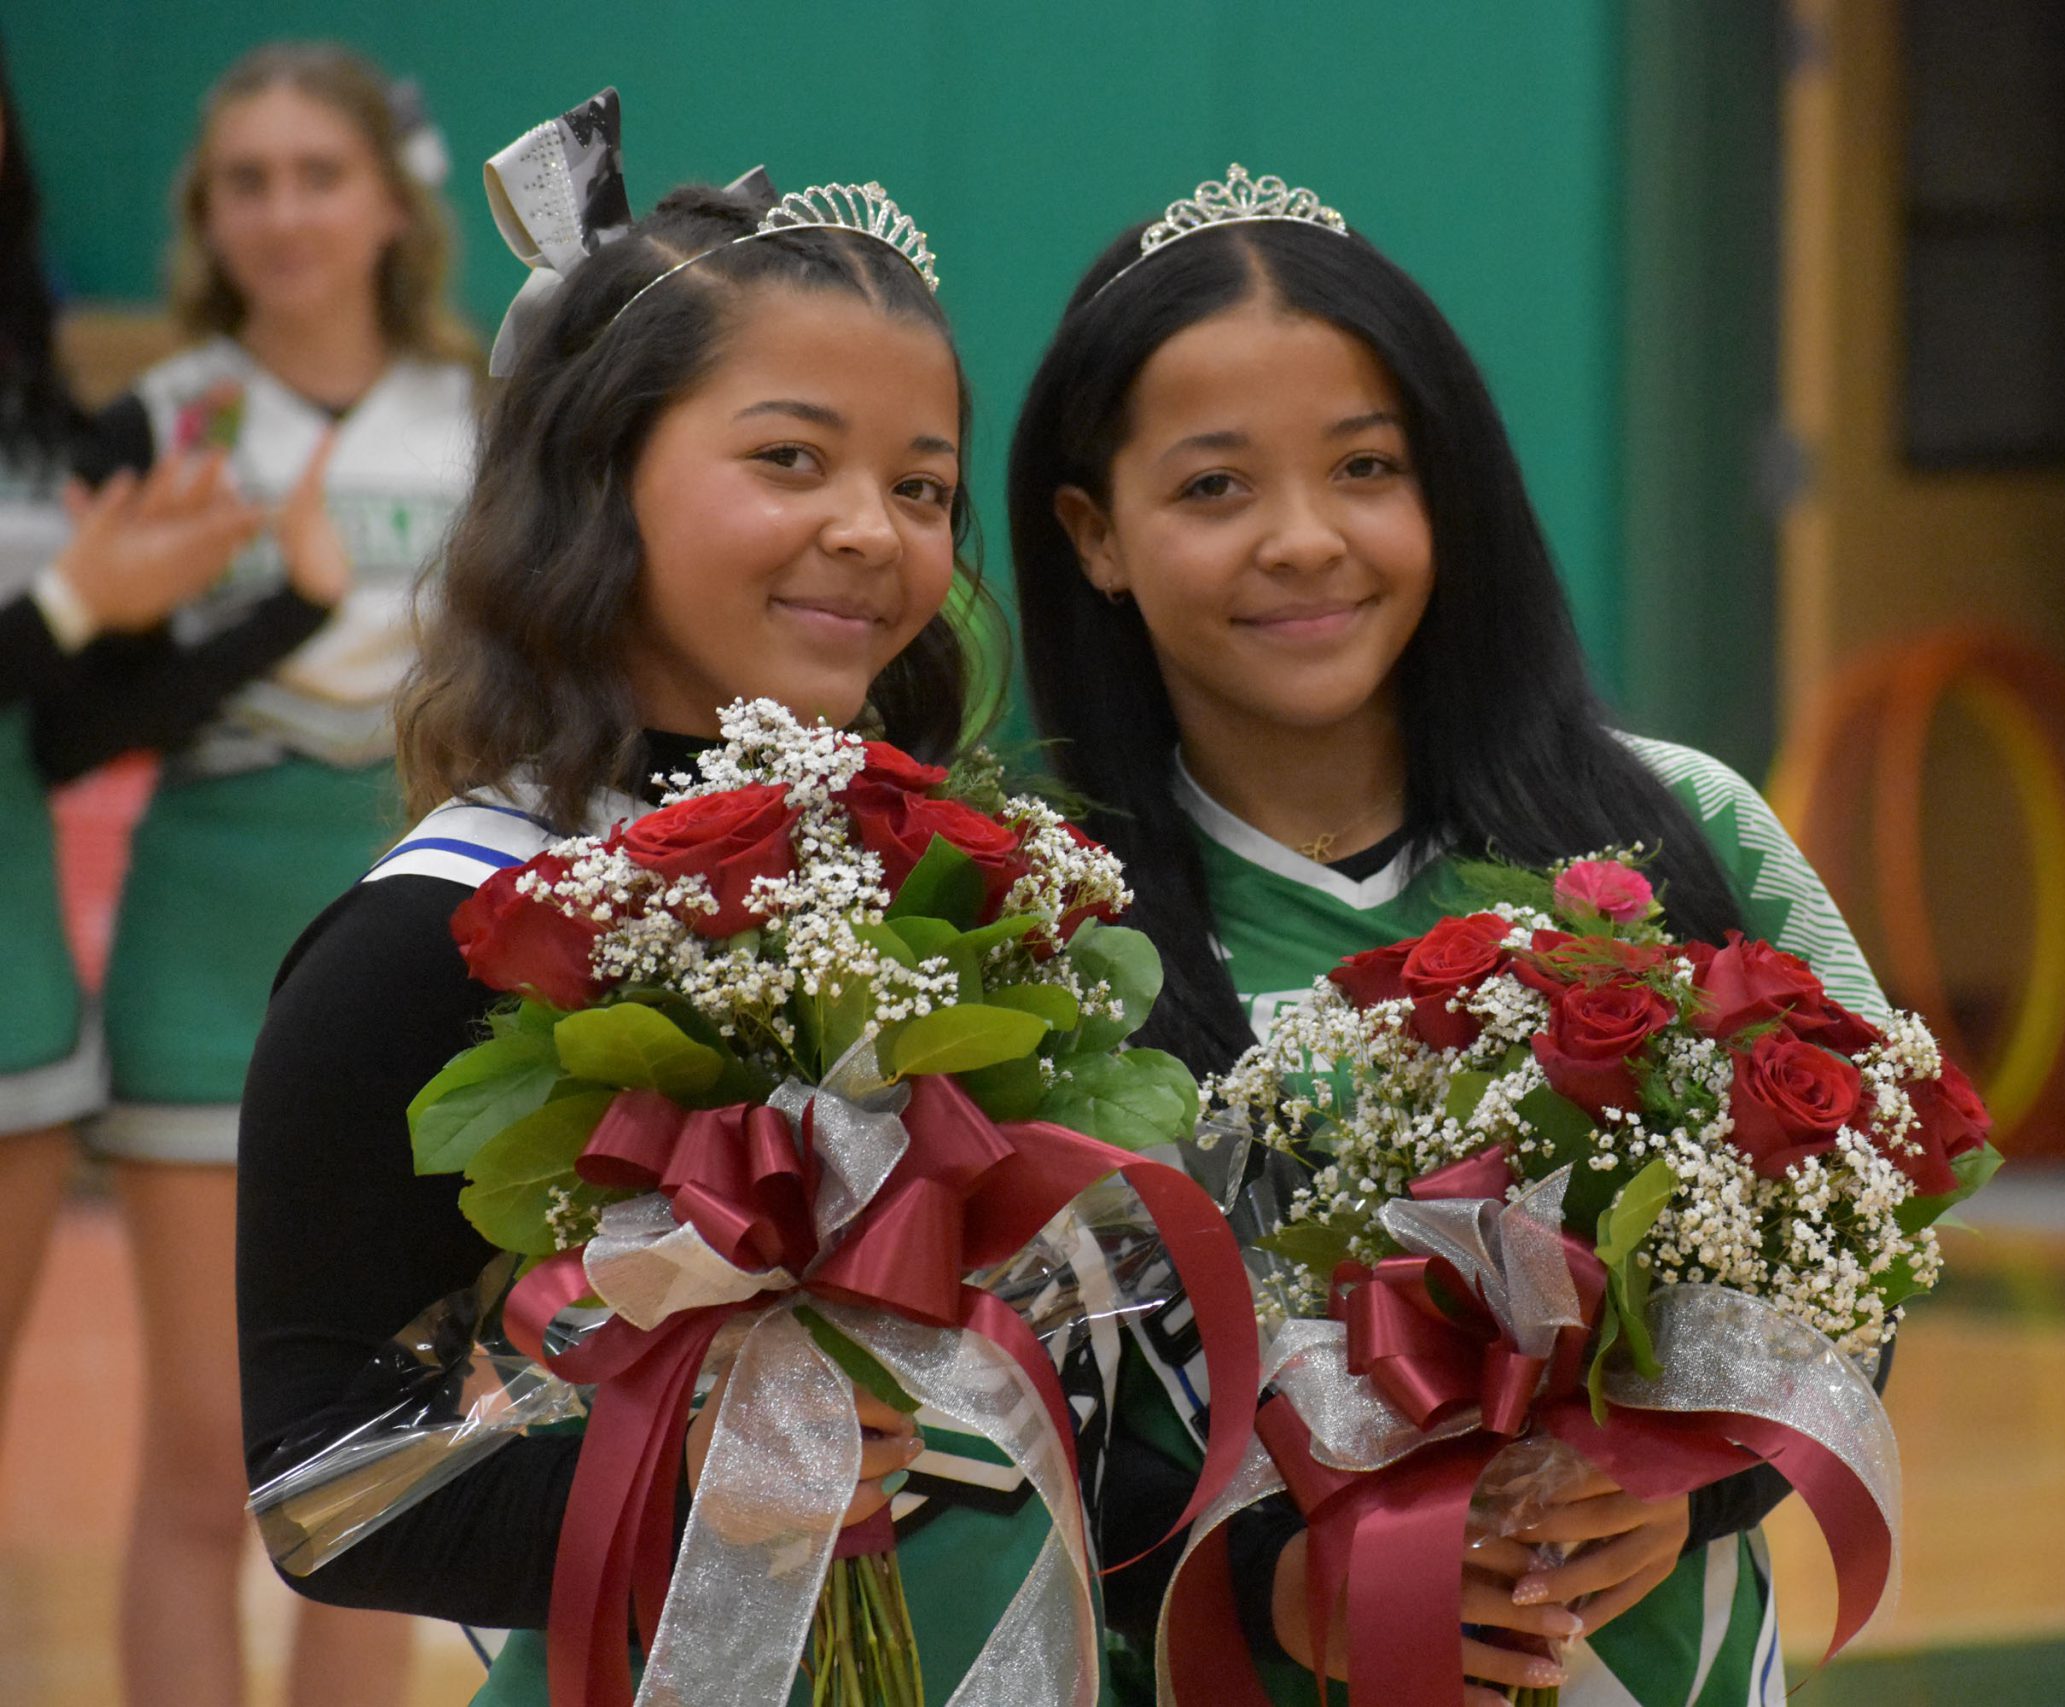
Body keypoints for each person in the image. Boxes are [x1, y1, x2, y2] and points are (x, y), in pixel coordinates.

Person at [240, 96, 1198, 1707]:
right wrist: (695, 1485)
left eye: (919, 487)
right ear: (598, 474)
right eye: (790, 459)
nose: (867, 531)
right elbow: (322, 1494)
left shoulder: (974, 901)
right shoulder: (432, 932)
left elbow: (1108, 1397)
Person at [1008, 167, 1895, 1707]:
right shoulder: (1028, 911)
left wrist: (1708, 1486)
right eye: (1215, 487)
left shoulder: (1694, 826)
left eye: (1367, 467)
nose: (1305, 540)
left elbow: (1869, 1258)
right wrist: (1257, 1581)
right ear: (1094, 531)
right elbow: (970, 1407)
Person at [32, 41, 479, 1707]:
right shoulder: (161, 421)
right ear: (204, 216)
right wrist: (274, 606)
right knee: (202, 1442)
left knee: (373, 1441)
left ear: (388, 202)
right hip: (206, 937)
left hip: (412, 938)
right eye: (246, 181)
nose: (282, 213)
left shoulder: (488, 415)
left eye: (316, 174)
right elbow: (78, 725)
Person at [0, 27, 264, 1437]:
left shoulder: (43, 407)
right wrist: (69, 601)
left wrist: (259, 622)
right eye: (250, 180)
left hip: (23, 1009)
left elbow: (51, 741)